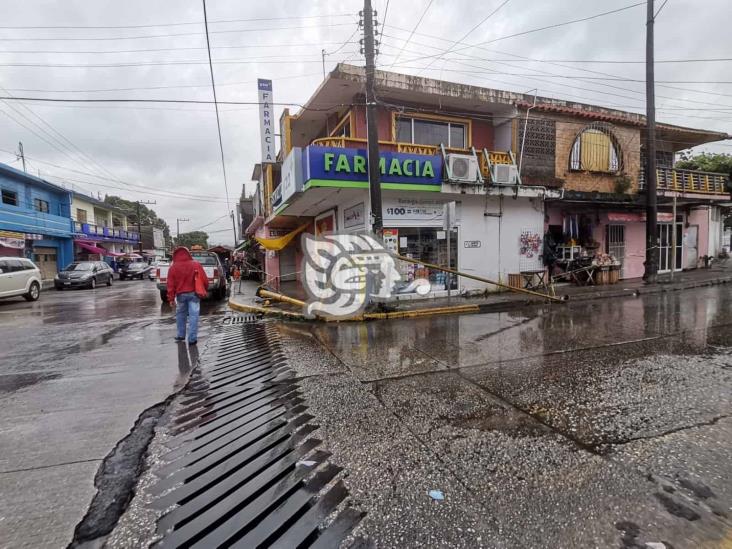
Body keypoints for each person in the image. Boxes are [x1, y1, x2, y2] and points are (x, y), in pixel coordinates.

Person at [167, 246, 209, 345]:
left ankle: (181, 335)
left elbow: (170, 285)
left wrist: (171, 299)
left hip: (180, 295)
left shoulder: (173, 267)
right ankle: (192, 339)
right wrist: (204, 289)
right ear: (188, 254)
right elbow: (205, 280)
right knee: (193, 316)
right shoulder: (196, 264)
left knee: (181, 315)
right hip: (194, 295)